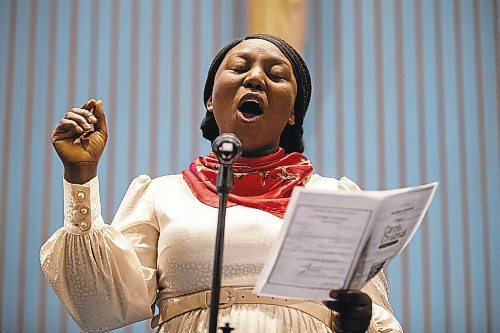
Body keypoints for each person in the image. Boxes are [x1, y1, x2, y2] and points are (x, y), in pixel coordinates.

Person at [41, 34, 403, 333]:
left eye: (276, 74)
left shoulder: (334, 199)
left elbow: (383, 325)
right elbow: (99, 306)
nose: (256, 78)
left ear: (294, 112)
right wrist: (81, 177)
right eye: (240, 68)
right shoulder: (163, 194)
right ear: (210, 101)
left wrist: (360, 322)